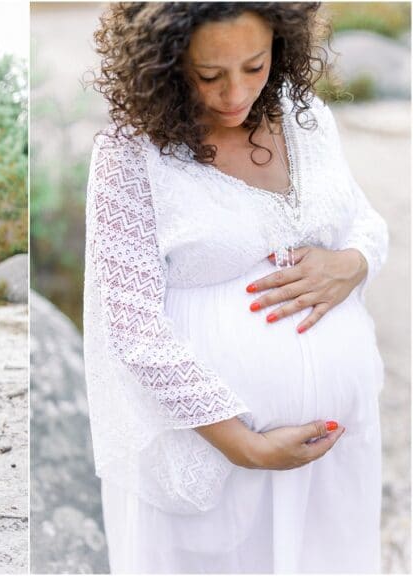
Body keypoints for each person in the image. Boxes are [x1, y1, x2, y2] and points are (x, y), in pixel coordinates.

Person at [84, 3, 388, 572]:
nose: (234, 94)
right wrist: (244, 445)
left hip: (334, 457)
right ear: (165, 62)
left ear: (282, 43)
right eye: (209, 75)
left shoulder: (308, 119)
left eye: (255, 65)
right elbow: (132, 324)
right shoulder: (131, 154)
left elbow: (366, 220)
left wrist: (352, 262)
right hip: (215, 458)